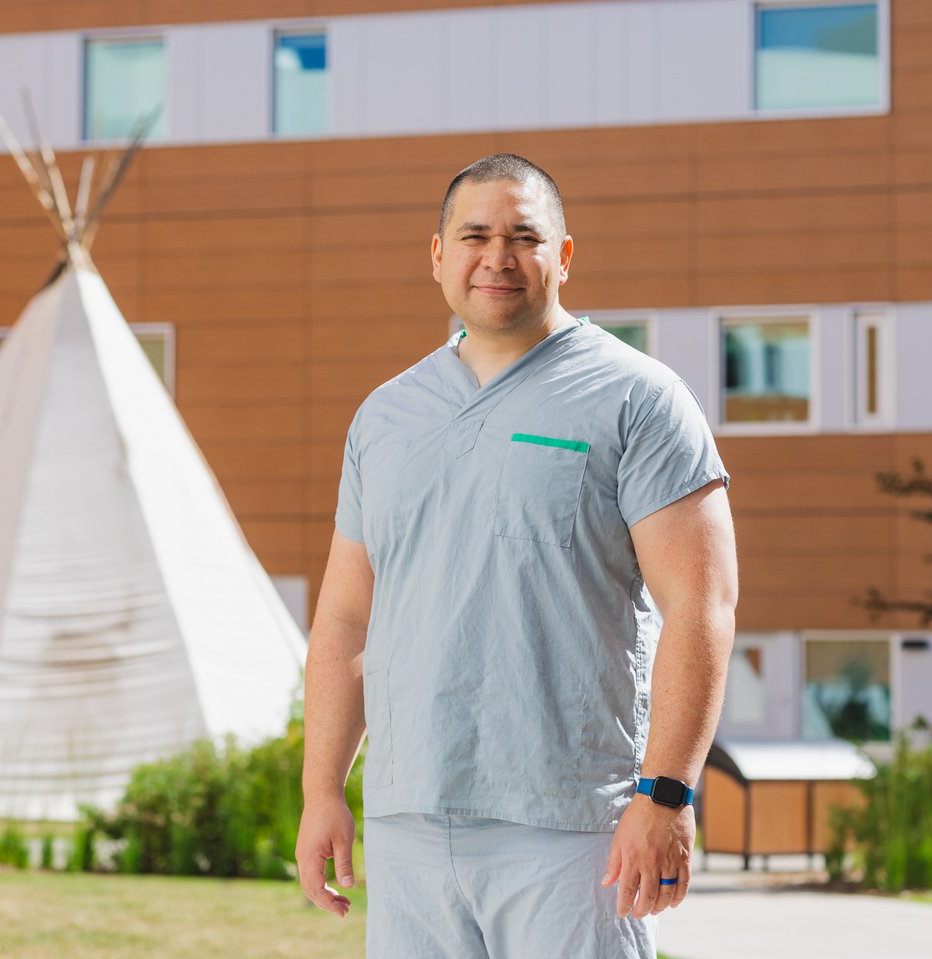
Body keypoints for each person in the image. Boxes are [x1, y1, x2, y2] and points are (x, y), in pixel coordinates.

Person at [295, 153, 739, 958]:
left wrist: (666, 794)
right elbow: (345, 618)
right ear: (437, 254)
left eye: (523, 236)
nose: (496, 257)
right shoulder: (386, 416)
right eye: (473, 236)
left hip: (570, 827)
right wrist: (323, 786)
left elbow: (702, 606)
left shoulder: (638, 398)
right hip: (409, 823)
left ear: (562, 256)